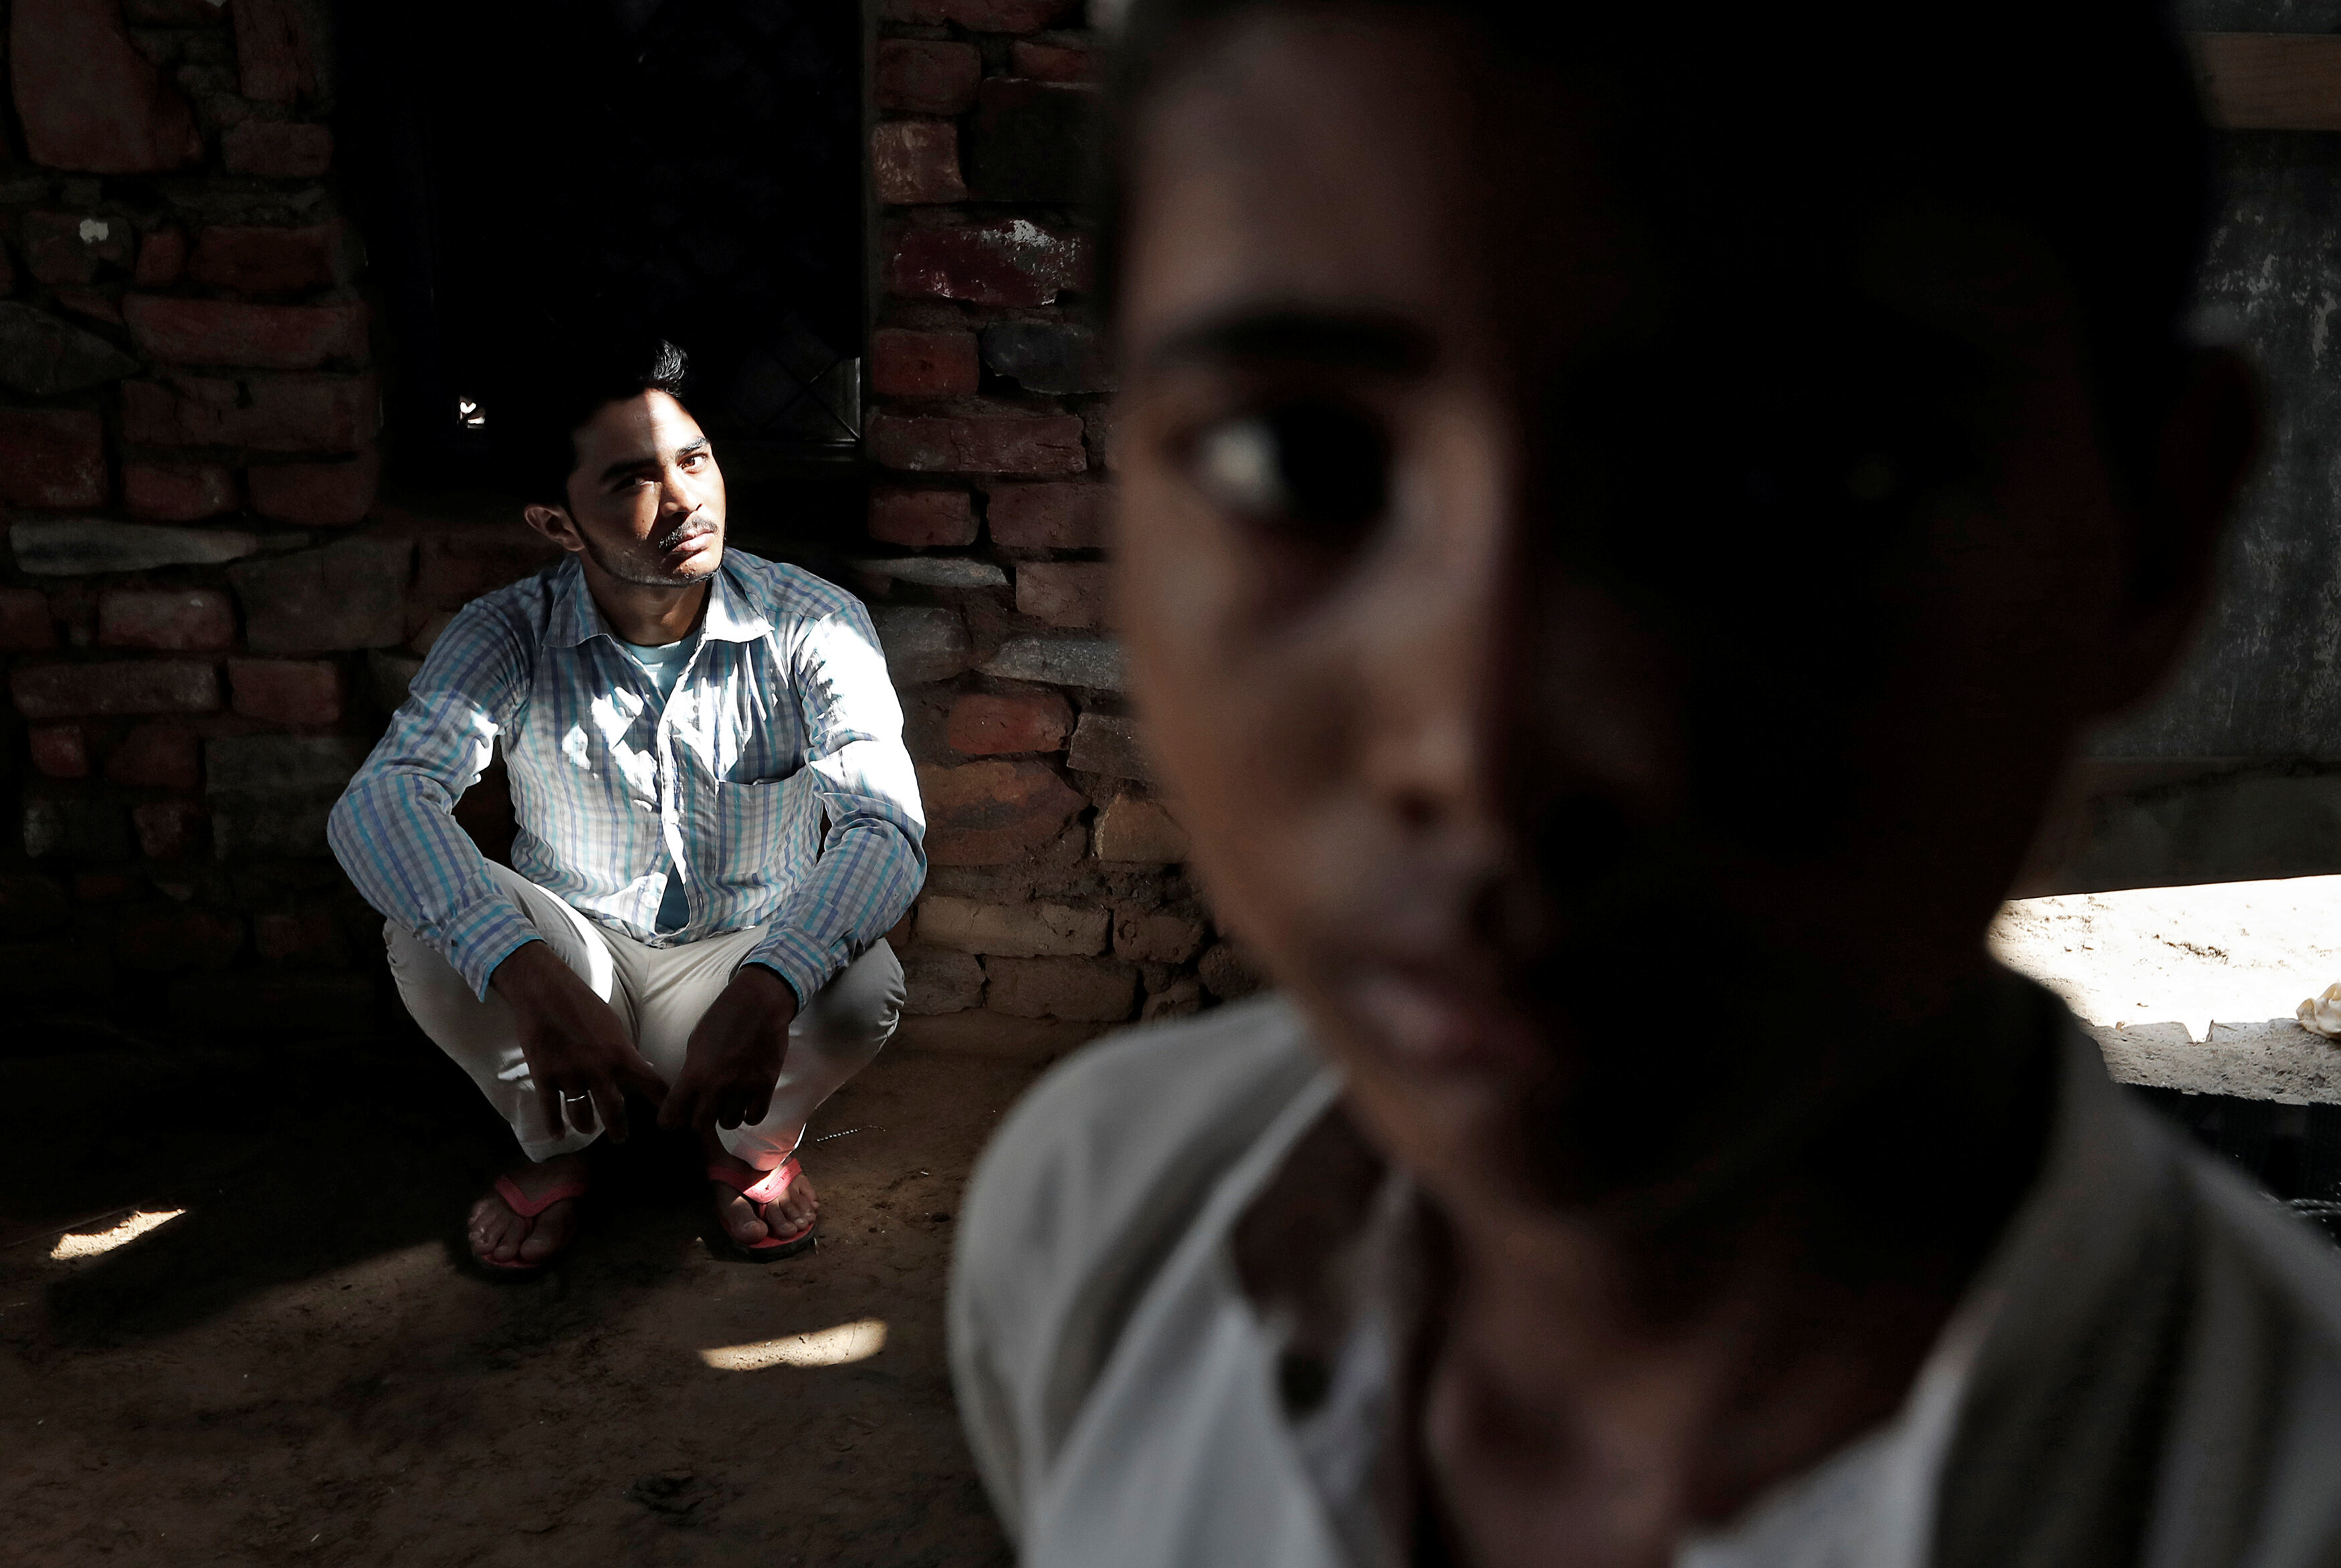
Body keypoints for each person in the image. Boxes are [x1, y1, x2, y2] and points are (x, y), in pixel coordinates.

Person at [949, 3, 2341, 1563]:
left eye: (1799, 478)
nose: (1485, 749)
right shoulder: (1101, 1231)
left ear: (2155, 542)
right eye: (1297, 462)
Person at [329, 337, 921, 1274]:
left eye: (695, 460)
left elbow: (884, 826)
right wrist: (526, 971)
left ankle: (747, 1141)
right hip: (580, 956)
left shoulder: (811, 621)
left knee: (862, 986)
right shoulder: (508, 633)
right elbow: (380, 803)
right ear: (557, 523)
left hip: (739, 962)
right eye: (632, 480)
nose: (687, 500)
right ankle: (558, 1148)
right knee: (429, 937)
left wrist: (772, 982)